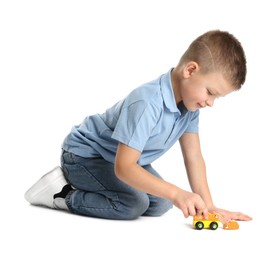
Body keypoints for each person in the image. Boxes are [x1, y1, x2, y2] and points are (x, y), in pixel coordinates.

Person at [25, 29, 252, 222]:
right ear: (190, 70)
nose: (210, 103)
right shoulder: (147, 102)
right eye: (210, 92)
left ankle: (103, 191)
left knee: (162, 203)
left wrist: (209, 206)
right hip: (85, 157)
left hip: (120, 160)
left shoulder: (190, 107)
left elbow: (194, 157)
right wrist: (178, 193)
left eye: (217, 98)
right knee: (134, 203)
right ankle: (62, 194)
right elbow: (124, 168)